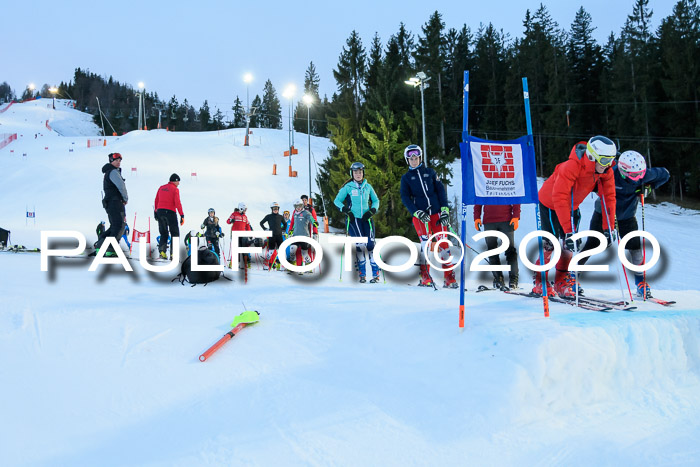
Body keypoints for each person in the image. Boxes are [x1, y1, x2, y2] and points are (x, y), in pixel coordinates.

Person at [534, 135, 617, 298]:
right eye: (605, 160)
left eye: (611, 160)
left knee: (568, 246)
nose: (609, 165)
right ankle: (539, 281)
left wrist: (609, 228)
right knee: (549, 244)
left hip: (572, 206)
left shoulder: (605, 171)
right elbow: (559, 197)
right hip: (550, 203)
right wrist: (568, 230)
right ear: (593, 157)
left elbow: (609, 197)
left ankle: (561, 281)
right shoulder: (571, 166)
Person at [578, 150, 669, 298]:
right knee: (594, 244)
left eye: (640, 174)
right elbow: (590, 181)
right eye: (634, 176)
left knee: (635, 247)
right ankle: (572, 277)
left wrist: (649, 186)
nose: (638, 178)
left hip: (627, 216)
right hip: (604, 215)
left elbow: (664, 174)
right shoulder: (610, 174)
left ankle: (640, 282)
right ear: (622, 171)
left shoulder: (641, 175)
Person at [399, 144, 457, 288]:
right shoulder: (406, 178)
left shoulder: (430, 172)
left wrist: (445, 210)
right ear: (408, 160)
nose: (414, 160)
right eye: (411, 158)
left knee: (443, 243)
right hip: (420, 216)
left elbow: (440, 191)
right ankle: (425, 276)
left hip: (437, 214)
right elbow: (405, 197)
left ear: (420, 158)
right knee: (425, 244)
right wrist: (415, 211)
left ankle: (449, 277)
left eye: (416, 158)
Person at [334, 162, 381, 283]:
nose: (358, 174)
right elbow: (337, 201)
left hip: (367, 219)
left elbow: (376, 200)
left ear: (363, 173)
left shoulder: (368, 187)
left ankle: (376, 274)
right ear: (352, 173)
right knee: (360, 245)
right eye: (356, 172)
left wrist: (372, 210)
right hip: (353, 220)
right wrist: (345, 210)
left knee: (370, 244)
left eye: (360, 172)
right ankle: (362, 274)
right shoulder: (348, 187)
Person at [474, 203, 521, 289]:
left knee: (510, 250)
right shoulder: (483, 188)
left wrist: (516, 216)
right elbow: (478, 198)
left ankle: (513, 279)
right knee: (492, 251)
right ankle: (498, 279)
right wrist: (476, 217)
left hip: (507, 220)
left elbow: (515, 196)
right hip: (489, 221)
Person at [95, 152, 128, 257]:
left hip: (110, 202)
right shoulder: (113, 172)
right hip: (115, 202)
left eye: (120, 160)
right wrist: (125, 198)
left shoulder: (109, 172)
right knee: (119, 225)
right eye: (116, 160)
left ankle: (100, 245)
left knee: (115, 226)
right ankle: (110, 248)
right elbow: (121, 186)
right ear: (111, 161)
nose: (119, 162)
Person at [154, 173, 184, 260]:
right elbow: (177, 203)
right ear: (175, 181)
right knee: (175, 233)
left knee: (163, 233)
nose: (179, 183)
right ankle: (173, 254)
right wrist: (182, 215)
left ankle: (162, 252)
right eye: (178, 181)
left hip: (160, 212)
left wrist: (156, 211)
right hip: (170, 212)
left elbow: (156, 200)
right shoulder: (175, 189)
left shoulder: (161, 187)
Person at [288, 199, 318, 267]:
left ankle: (309, 265)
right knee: (292, 249)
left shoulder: (306, 213)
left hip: (304, 236)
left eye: (300, 206)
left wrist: (314, 222)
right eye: (297, 206)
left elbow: (311, 218)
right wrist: (291, 230)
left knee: (304, 253)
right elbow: (295, 223)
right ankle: (292, 265)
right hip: (295, 236)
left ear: (302, 206)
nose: (298, 208)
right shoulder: (295, 214)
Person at [259, 202, 287, 270]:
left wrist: (283, 230)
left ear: (278, 209)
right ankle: (266, 264)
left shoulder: (280, 217)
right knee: (271, 251)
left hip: (279, 236)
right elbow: (261, 223)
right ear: (272, 209)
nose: (275, 210)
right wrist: (265, 229)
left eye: (277, 209)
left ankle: (282, 266)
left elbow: (285, 224)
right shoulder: (268, 216)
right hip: (272, 236)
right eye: (274, 209)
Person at [227, 202, 253, 267]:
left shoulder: (245, 216)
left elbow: (247, 225)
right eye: (244, 209)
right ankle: (233, 263)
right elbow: (227, 221)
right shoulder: (234, 214)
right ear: (241, 208)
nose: (245, 211)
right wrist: (231, 221)